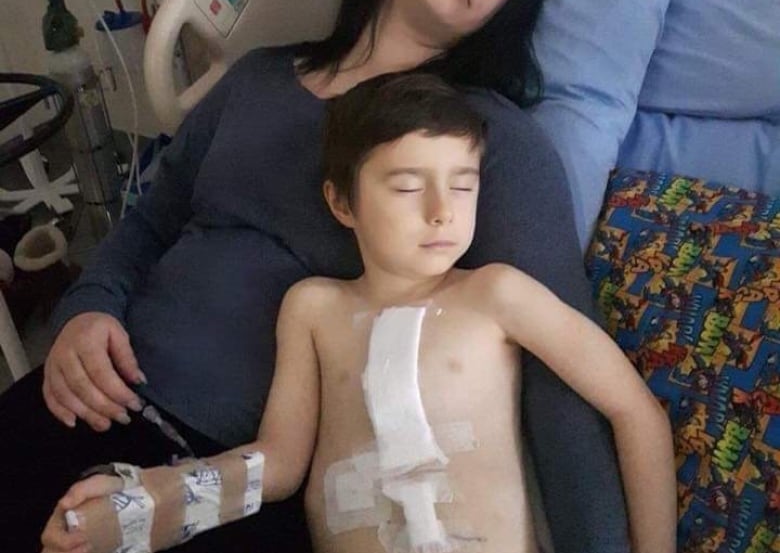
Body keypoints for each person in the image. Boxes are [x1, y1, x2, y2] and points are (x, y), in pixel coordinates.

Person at [0, 0, 630, 553]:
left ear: (503, 11)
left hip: (240, 476)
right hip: (90, 392)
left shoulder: (482, 141)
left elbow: (561, 379)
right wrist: (86, 306)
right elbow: (151, 219)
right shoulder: (258, 78)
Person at [40, 74, 676, 553]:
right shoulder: (313, 308)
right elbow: (280, 466)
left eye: (463, 184)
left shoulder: (496, 294)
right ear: (342, 203)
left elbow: (635, 412)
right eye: (406, 186)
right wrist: (151, 504)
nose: (441, 211)